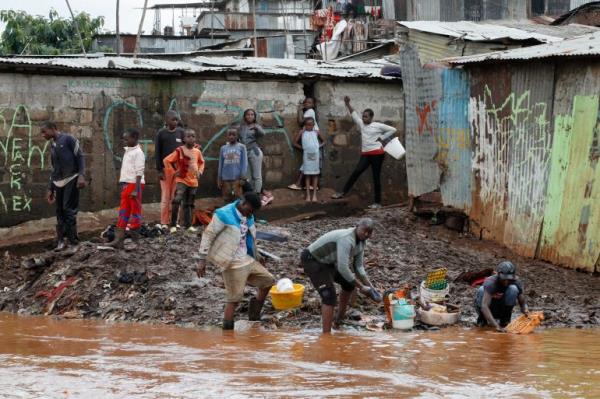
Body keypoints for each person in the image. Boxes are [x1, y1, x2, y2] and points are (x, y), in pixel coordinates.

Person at [196, 192, 275, 330]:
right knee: (234, 298)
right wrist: (202, 259)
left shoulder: (248, 216)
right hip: (231, 262)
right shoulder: (223, 214)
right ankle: (227, 334)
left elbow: (250, 238)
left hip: (247, 258)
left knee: (268, 280)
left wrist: (258, 256)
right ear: (243, 203)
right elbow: (208, 235)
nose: (250, 215)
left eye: (253, 212)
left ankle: (254, 315)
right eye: (249, 211)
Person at [301, 218, 382, 333]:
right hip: (313, 260)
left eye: (369, 232)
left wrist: (371, 287)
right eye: (364, 230)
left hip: (328, 262)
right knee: (329, 296)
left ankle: (339, 320)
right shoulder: (346, 239)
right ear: (357, 226)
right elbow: (343, 268)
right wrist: (361, 287)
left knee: (348, 284)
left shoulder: (362, 242)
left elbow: (358, 267)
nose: (365, 234)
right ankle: (326, 336)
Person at [332, 96, 397, 209]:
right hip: (366, 154)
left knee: (376, 177)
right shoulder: (362, 124)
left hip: (377, 154)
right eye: (363, 116)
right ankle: (342, 193)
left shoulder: (377, 125)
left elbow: (393, 130)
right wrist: (347, 104)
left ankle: (377, 203)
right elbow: (354, 114)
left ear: (371, 117)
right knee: (356, 172)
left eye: (366, 116)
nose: (363, 118)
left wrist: (382, 137)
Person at [41, 121, 86, 251]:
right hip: (58, 182)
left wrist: (81, 175)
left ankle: (74, 242)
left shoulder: (68, 139)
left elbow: (80, 157)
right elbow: (54, 168)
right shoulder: (53, 145)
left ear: (53, 129)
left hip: (71, 178)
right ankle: (61, 241)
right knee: (59, 211)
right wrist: (50, 188)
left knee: (69, 210)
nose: (43, 135)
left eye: (44, 132)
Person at [106, 128, 145, 249]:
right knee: (123, 211)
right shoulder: (128, 151)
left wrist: (135, 190)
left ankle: (135, 241)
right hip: (127, 184)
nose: (124, 141)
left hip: (134, 184)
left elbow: (139, 172)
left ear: (134, 138)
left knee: (135, 212)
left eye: (126, 138)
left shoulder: (138, 153)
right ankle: (119, 240)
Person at [163, 129, 205, 233]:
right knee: (177, 199)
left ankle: (188, 225)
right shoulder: (179, 150)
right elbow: (167, 160)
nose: (191, 138)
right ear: (184, 139)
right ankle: (172, 225)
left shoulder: (197, 151)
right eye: (189, 136)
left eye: (193, 136)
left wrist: (200, 171)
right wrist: (173, 172)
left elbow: (202, 162)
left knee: (189, 203)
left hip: (194, 181)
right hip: (182, 180)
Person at [475, 261, 529, 332]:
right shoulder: (490, 282)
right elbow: (484, 306)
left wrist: (525, 309)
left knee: (513, 289)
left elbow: (522, 302)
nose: (506, 282)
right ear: (498, 274)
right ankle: (482, 320)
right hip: (488, 309)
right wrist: (496, 326)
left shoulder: (516, 281)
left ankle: (505, 321)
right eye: (504, 279)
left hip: (503, 309)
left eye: (509, 279)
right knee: (481, 290)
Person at [155, 110, 184, 228]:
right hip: (166, 170)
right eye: (173, 119)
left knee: (175, 196)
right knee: (165, 196)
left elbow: (185, 150)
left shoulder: (181, 132)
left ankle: (174, 221)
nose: (175, 122)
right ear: (166, 120)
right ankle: (164, 221)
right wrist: (159, 170)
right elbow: (157, 153)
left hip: (178, 169)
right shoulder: (161, 133)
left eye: (177, 119)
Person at [289, 97, 320, 191]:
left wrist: (299, 110)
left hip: (312, 138)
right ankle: (309, 184)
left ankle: (305, 184)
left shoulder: (310, 111)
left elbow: (300, 121)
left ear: (313, 105)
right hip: (310, 137)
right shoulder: (308, 112)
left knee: (310, 162)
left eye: (309, 102)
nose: (307, 104)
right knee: (309, 162)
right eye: (305, 102)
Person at [293, 117, 324, 202]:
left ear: (314, 125)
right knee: (307, 174)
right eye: (307, 124)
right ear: (305, 125)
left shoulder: (316, 132)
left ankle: (314, 195)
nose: (309, 126)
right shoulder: (302, 132)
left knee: (315, 174)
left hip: (315, 155)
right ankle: (308, 195)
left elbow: (324, 141)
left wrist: (318, 146)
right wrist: (303, 148)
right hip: (307, 156)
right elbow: (294, 143)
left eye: (311, 124)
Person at [238, 109, 265, 194]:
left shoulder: (256, 126)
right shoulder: (241, 127)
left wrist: (256, 127)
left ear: (254, 116)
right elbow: (239, 139)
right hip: (244, 153)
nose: (250, 116)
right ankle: (250, 194)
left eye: (252, 114)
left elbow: (263, 133)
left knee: (257, 175)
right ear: (244, 116)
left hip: (254, 152)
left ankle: (257, 194)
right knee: (247, 176)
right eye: (248, 114)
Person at [218, 129, 248, 204]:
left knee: (238, 198)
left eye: (234, 135)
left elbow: (244, 163)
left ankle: (238, 214)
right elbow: (220, 164)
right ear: (227, 136)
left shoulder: (242, 147)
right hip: (225, 179)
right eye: (229, 135)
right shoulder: (223, 148)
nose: (231, 136)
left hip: (237, 179)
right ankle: (228, 214)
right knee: (226, 198)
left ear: (237, 136)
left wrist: (243, 178)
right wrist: (219, 178)